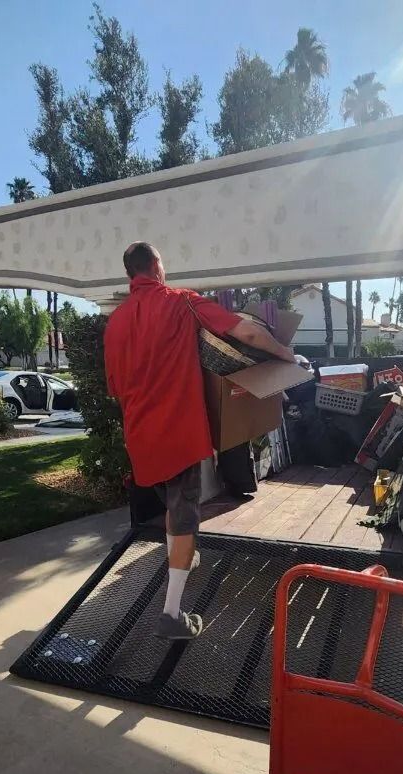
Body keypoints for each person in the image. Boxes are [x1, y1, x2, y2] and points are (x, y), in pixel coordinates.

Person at [105, 242, 295, 641]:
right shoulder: (181, 302)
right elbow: (245, 331)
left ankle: (182, 560)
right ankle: (172, 614)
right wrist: (284, 354)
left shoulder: (116, 322)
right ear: (157, 266)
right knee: (187, 512)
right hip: (179, 432)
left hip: (140, 438)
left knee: (174, 504)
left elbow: (117, 390)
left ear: (129, 275)